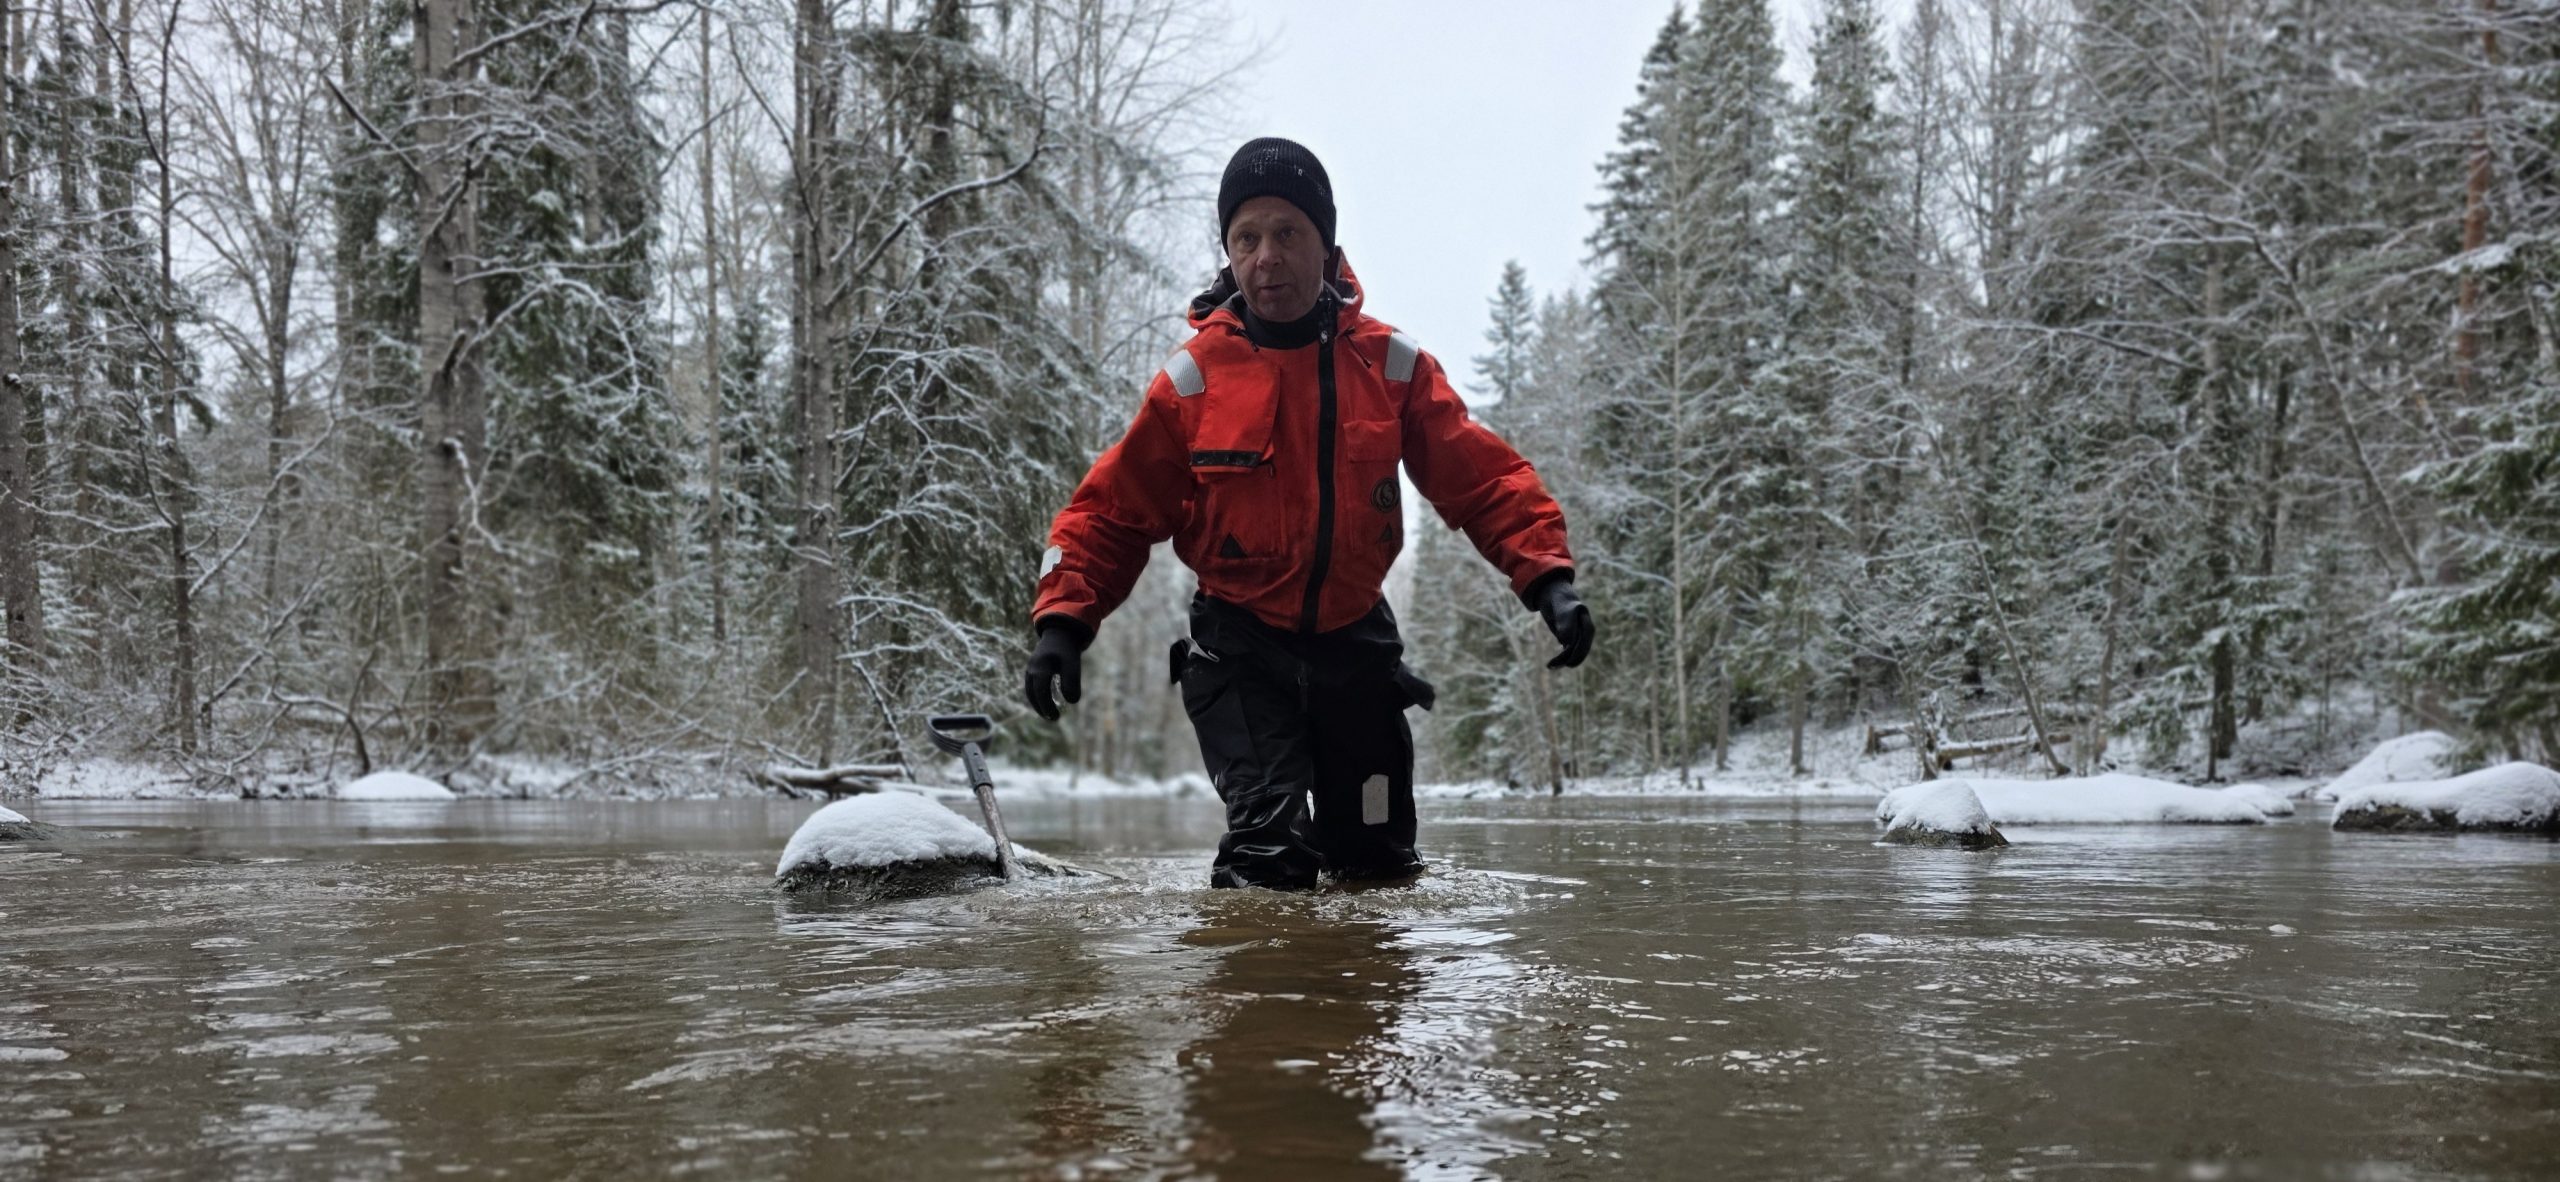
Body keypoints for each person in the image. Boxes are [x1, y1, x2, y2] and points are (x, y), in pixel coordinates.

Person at [1024, 137, 1593, 889]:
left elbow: (1483, 479)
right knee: (1272, 851)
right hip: (1240, 648)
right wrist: (1063, 622)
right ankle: (1258, 996)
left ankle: (1350, 999)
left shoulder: (1392, 367)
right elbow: (1110, 513)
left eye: (1288, 233)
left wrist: (1546, 578)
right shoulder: (1191, 384)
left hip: (1355, 647)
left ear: (1327, 246)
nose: (1268, 256)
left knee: (1379, 868)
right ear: (1228, 255)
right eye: (1247, 237)